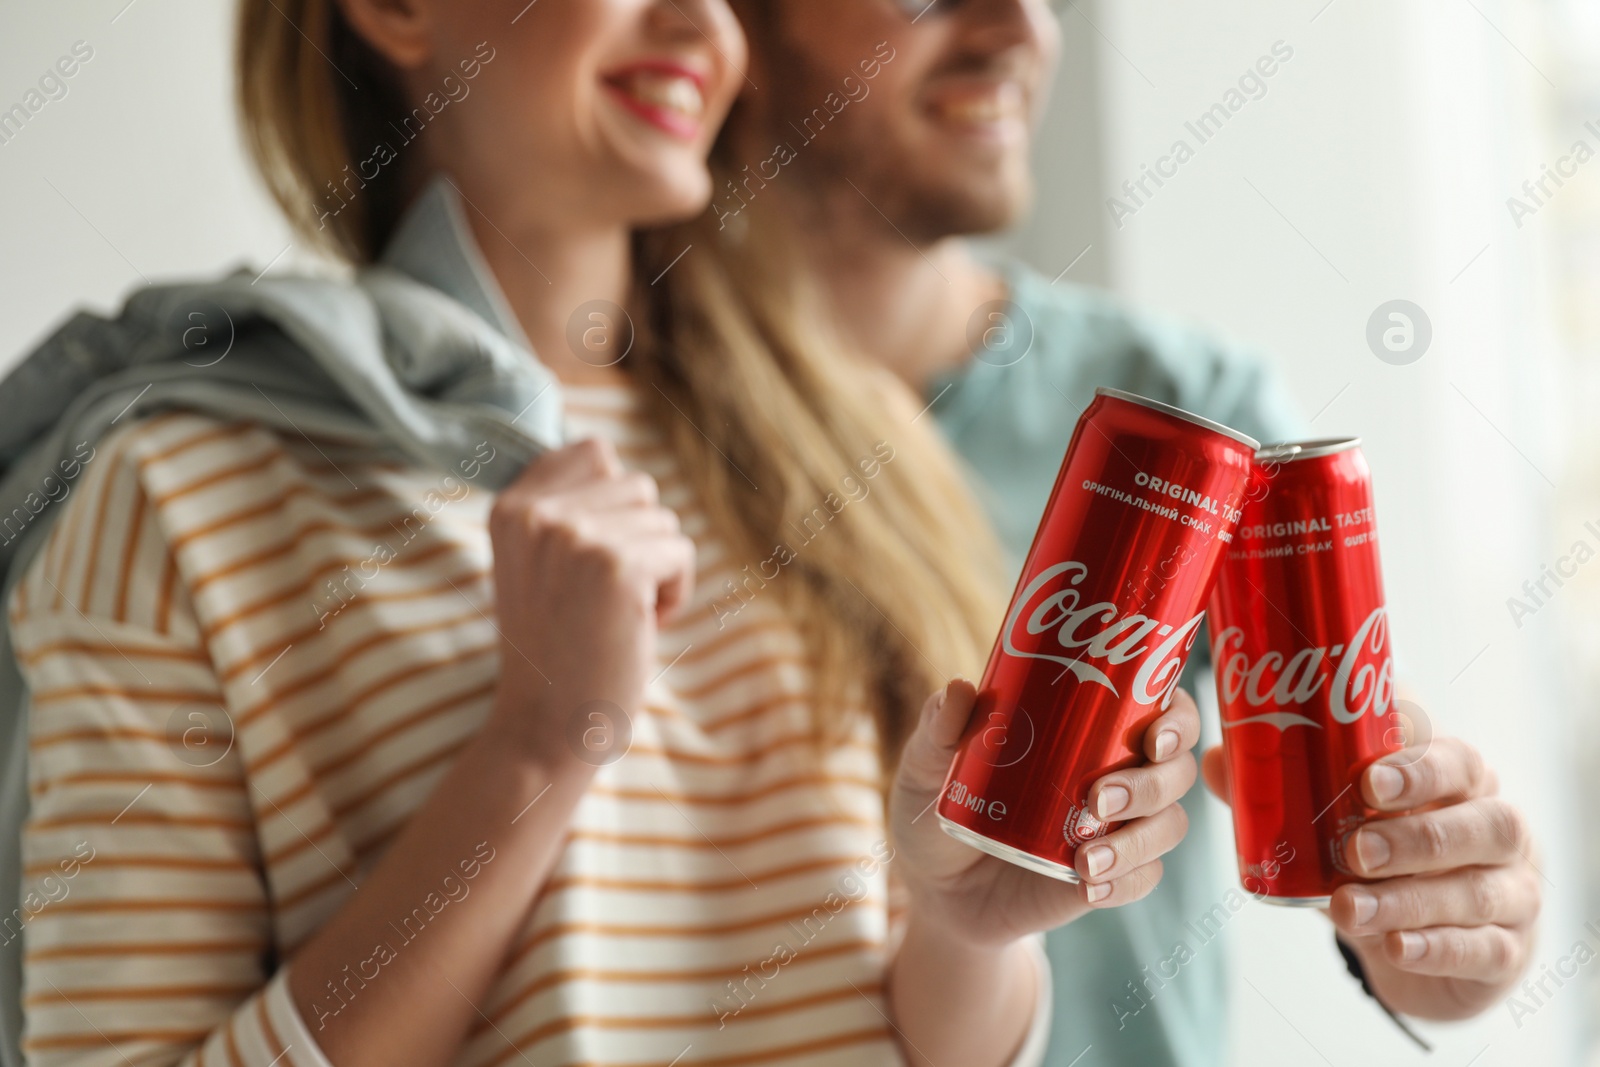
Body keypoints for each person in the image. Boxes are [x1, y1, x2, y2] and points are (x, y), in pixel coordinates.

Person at [0, 1, 1210, 1065]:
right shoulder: (175, 492)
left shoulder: (859, 449)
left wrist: (963, 929)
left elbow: (915, 1022)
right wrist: (535, 747)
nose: (702, 21)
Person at [685, 1, 1543, 1063]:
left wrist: (1434, 922)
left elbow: (1353, 822)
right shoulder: (623, 424)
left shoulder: (1187, 400)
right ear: (735, 29)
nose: (1015, 29)